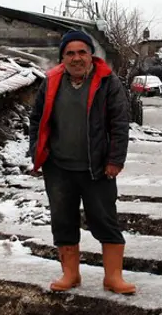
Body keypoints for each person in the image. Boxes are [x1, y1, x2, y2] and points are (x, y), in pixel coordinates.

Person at [28, 30, 135, 294]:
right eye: (70, 53)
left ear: (91, 55)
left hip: (97, 168)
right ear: (62, 57)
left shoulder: (108, 82)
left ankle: (113, 277)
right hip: (59, 168)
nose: (76, 58)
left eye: (82, 52)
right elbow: (36, 119)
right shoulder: (51, 82)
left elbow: (120, 125)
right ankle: (70, 274)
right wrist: (37, 152)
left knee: (105, 220)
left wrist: (115, 160)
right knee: (63, 221)